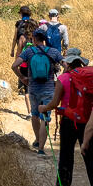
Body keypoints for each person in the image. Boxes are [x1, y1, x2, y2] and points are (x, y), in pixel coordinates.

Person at [54, 50, 93, 186]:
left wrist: (43, 109)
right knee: (89, 155)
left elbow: (55, 103)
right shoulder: (89, 79)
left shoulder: (63, 78)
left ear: (68, 64)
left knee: (66, 156)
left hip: (69, 121)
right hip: (88, 121)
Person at [15, 26, 61, 155]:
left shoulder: (29, 52)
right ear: (45, 39)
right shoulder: (53, 52)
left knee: (34, 115)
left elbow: (14, 66)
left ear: (34, 39)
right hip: (49, 89)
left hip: (33, 88)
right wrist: (60, 81)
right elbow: (66, 65)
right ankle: (41, 149)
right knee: (45, 118)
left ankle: (36, 139)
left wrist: (23, 78)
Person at [9, 5, 37, 125]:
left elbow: (15, 38)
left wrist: (13, 51)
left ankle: (30, 112)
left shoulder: (18, 24)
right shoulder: (34, 24)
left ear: (21, 13)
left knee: (27, 88)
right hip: (35, 61)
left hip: (23, 59)